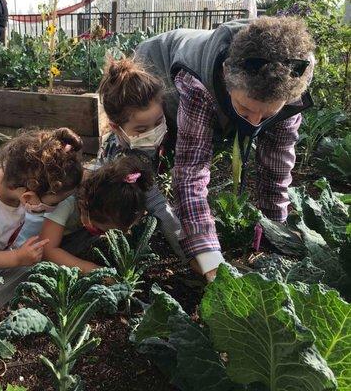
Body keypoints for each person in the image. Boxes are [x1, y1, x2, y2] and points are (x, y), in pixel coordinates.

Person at [135, 16, 315, 281]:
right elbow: (191, 174)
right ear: (225, 77)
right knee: (143, 158)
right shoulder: (197, 83)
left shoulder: (292, 81)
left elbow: (276, 171)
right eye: (245, 109)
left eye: (266, 116)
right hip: (156, 67)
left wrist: (276, 236)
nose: (253, 122)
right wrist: (210, 259)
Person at [0, 128, 83, 270]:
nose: (55, 208)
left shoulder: (17, 177)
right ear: (27, 197)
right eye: (54, 203)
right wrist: (17, 258)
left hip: (2, 255)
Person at [96, 58, 184, 259]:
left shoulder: (139, 141)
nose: (153, 133)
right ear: (116, 128)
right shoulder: (125, 159)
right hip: (110, 214)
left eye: (159, 122)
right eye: (142, 130)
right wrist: (189, 251)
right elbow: (156, 203)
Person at [40, 156, 153, 273]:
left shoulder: (107, 188)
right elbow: (47, 251)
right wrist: (93, 269)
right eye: (99, 230)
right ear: (84, 205)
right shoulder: (66, 201)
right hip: (39, 241)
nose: (105, 235)